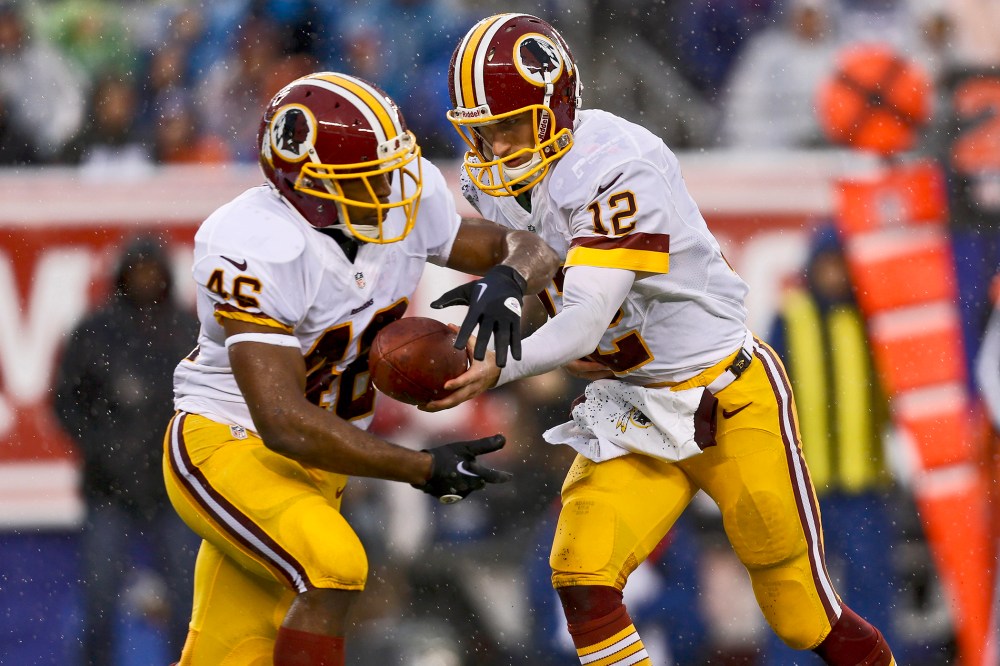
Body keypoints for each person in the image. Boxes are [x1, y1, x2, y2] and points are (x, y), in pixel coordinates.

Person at [426, 13, 897, 665]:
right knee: (582, 576)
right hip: (632, 407)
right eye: (481, 132)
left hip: (722, 397)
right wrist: (509, 287)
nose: (496, 148)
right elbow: (548, 272)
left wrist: (497, 366)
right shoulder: (493, 181)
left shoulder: (618, 164)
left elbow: (588, 316)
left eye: (509, 126)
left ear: (555, 108)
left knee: (799, 613)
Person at [162, 71, 559, 665]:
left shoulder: (401, 200)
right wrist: (419, 468)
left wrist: (508, 283)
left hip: (320, 465)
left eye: (390, 166)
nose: (392, 184)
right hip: (228, 443)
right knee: (336, 566)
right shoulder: (254, 242)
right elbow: (280, 421)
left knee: (227, 653)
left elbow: (531, 249)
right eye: (369, 175)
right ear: (309, 186)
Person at [53, 235, 201, 665]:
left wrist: (180, 446)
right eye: (137, 272)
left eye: (152, 272)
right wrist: (102, 446)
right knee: (99, 598)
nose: (145, 280)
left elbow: (209, 399)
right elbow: (65, 398)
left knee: (188, 599)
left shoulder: (186, 329)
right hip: (109, 487)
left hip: (173, 485)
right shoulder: (95, 330)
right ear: (122, 276)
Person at [765, 226, 911, 663]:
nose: (835, 276)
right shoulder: (790, 317)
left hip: (862, 485)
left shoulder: (869, 318)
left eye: (842, 266)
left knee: (874, 591)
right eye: (827, 266)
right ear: (812, 268)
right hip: (804, 488)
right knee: (796, 594)